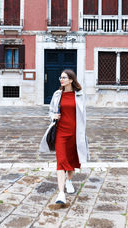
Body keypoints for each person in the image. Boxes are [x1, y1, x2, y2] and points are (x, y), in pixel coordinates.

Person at [39, 69, 89, 204]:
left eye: (64, 77)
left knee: (72, 160)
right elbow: (50, 111)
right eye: (60, 77)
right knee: (61, 161)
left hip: (74, 133)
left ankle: (69, 180)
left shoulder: (79, 95)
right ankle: (61, 194)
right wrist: (52, 116)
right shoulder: (57, 94)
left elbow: (83, 115)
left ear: (71, 80)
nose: (61, 79)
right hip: (60, 132)